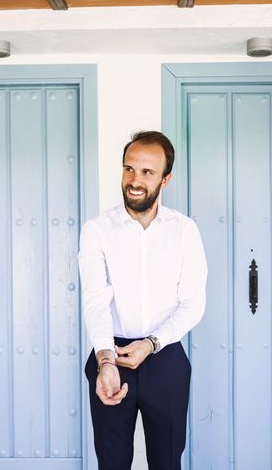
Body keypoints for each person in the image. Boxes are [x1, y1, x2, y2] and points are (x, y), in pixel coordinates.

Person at [79, 130, 208, 470]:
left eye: (147, 172)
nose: (135, 180)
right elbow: (96, 299)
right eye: (129, 169)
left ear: (166, 179)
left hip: (165, 358)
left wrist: (151, 343)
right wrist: (106, 360)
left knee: (166, 463)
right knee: (112, 463)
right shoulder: (97, 229)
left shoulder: (184, 230)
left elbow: (193, 303)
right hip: (111, 357)